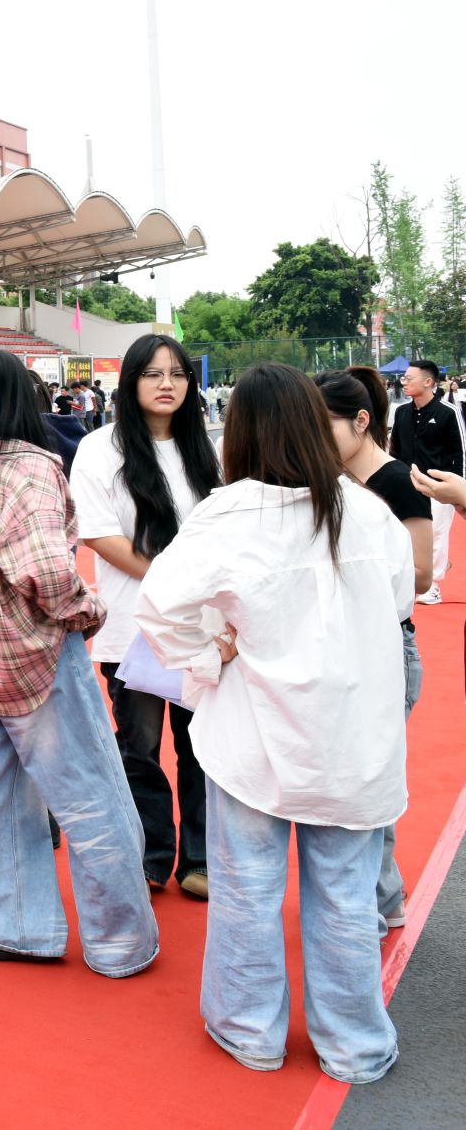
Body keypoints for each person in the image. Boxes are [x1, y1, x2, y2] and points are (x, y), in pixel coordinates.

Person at [138, 364, 411, 1084]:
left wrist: (211, 651)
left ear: (240, 433)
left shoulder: (229, 516)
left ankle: (250, 1028)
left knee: (248, 889)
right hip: (352, 735)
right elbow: (400, 602)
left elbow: (158, 607)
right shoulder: (365, 512)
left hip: (257, 735)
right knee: (346, 895)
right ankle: (354, 1044)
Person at [0, 349, 157, 975]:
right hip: (39, 659)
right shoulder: (32, 470)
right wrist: (89, 609)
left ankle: (3, 925)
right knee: (91, 797)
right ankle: (119, 941)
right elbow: (49, 573)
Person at [69, 333, 221, 898]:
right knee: (140, 747)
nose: (166, 384)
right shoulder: (100, 449)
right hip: (134, 626)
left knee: (199, 745)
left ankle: (199, 859)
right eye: (153, 374)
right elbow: (99, 535)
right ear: (130, 382)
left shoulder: (205, 450)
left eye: (177, 374)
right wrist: (169, 580)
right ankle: (150, 855)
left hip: (200, 627)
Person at [317, 366, 431, 931]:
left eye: (325, 427)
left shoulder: (398, 481)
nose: (315, 440)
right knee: (352, 780)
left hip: (387, 646)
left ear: (361, 421)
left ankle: (378, 902)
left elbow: (420, 574)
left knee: (369, 782)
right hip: (343, 646)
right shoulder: (328, 482)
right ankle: (382, 897)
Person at [388, 359, 458, 604]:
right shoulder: (401, 412)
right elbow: (395, 451)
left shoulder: (448, 412)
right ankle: (418, 574)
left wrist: (455, 487)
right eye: (404, 378)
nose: (404, 383)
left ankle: (433, 585)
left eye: (409, 378)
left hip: (439, 485)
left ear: (428, 382)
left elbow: (460, 451)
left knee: (436, 533)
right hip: (407, 484)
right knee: (404, 533)